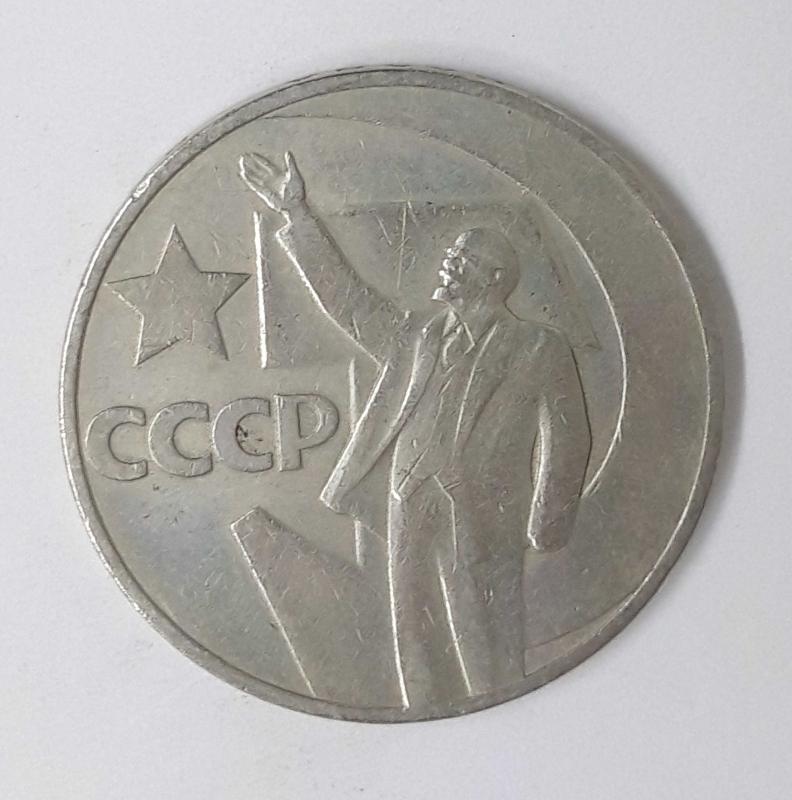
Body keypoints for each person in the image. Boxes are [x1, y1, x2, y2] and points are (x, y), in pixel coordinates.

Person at [240, 151, 591, 712]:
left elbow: (566, 437)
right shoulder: (416, 335)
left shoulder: (537, 346)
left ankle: (503, 720)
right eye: (450, 255)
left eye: (462, 258)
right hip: (407, 499)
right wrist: (297, 216)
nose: (448, 263)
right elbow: (348, 302)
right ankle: (425, 716)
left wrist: (547, 519)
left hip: (484, 512)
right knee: (414, 632)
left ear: (495, 278)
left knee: (488, 645)